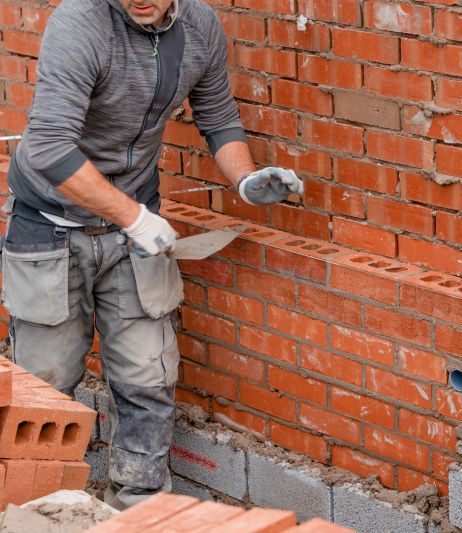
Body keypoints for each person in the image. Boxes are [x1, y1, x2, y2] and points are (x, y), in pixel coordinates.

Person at [1, 0, 302, 510]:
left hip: (133, 234)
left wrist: (246, 181)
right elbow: (50, 147)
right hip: (51, 229)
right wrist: (136, 218)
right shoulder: (81, 23)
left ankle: (139, 511)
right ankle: (36, 511)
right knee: (43, 392)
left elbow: (219, 118)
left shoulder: (200, 27)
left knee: (148, 379)